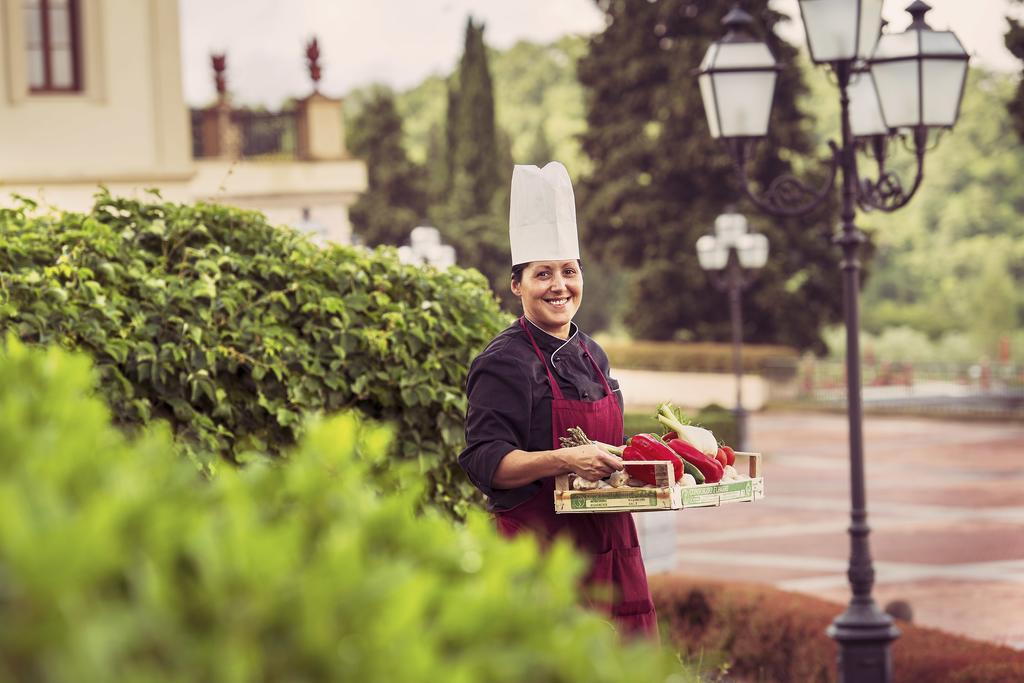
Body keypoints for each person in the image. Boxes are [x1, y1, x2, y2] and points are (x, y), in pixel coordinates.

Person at [458, 161, 658, 637]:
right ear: (516, 285)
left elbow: (608, 450)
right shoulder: (503, 362)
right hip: (538, 554)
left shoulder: (594, 355)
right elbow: (484, 462)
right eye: (542, 273)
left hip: (610, 549)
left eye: (568, 271)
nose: (559, 286)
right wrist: (567, 458)